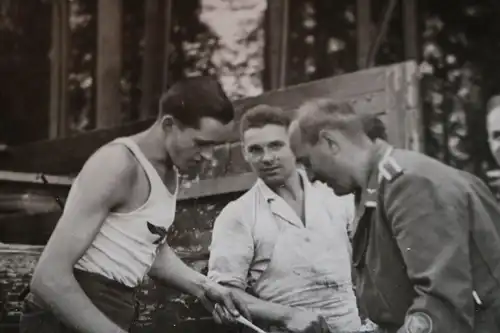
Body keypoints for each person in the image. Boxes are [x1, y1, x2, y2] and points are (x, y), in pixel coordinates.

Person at [19, 76, 250, 333]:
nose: (208, 156)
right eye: (201, 144)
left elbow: (148, 247)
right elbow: (49, 277)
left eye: (215, 146)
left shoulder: (169, 169)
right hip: (66, 314)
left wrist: (205, 287)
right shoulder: (118, 165)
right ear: (169, 124)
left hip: (111, 310)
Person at [289, 98, 500, 333]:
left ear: (330, 142)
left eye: (307, 162)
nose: (310, 177)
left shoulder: (408, 184)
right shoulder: (374, 189)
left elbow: (440, 305)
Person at [208, 105, 362, 333]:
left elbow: (366, 265)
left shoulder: (335, 195)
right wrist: (287, 316)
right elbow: (223, 294)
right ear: (244, 153)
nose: (267, 158)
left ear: (294, 144)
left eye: (276, 146)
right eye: (256, 150)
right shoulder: (238, 214)